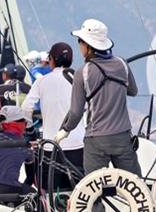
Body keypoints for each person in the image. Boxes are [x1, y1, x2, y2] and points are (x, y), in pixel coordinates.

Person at [56, 18, 140, 177]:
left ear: (88, 46)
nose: (79, 45)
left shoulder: (83, 72)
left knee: (93, 189)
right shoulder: (122, 64)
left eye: (80, 41)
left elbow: (75, 112)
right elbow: (133, 91)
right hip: (122, 137)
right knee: (135, 185)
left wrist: (64, 131)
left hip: (97, 139)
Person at [22, 42, 85, 190]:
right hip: (78, 144)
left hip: (52, 147)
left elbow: (25, 108)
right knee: (79, 193)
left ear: (52, 59)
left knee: (51, 193)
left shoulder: (41, 81)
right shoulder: (79, 78)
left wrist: (30, 129)